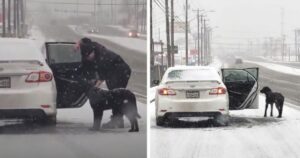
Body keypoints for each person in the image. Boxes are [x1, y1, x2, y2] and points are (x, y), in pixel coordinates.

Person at [78, 37, 131, 128]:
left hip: (121, 71)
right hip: (112, 71)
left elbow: (101, 76)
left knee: (116, 95)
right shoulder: (89, 51)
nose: (89, 58)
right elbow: (86, 66)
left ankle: (117, 120)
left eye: (89, 55)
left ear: (93, 52)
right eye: (87, 56)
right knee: (115, 95)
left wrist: (95, 84)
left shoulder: (102, 56)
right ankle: (118, 120)